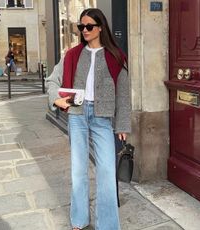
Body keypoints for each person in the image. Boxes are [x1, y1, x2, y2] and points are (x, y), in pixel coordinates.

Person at [46, 8, 131, 230]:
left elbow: (123, 94)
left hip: (103, 118)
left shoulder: (116, 57)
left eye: (89, 26)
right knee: (78, 169)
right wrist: (56, 100)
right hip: (77, 116)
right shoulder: (72, 55)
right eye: (81, 26)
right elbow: (52, 81)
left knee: (106, 170)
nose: (84, 30)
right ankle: (80, 219)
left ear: (100, 27)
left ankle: (109, 225)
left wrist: (122, 124)